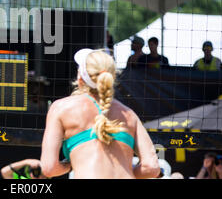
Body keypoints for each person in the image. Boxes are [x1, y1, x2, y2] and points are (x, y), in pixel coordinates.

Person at [40, 49, 160, 179]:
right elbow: (151, 168)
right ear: (112, 77)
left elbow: (49, 168)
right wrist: (127, 172)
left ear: (80, 78)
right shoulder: (129, 115)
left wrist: (70, 164)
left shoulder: (61, 108)